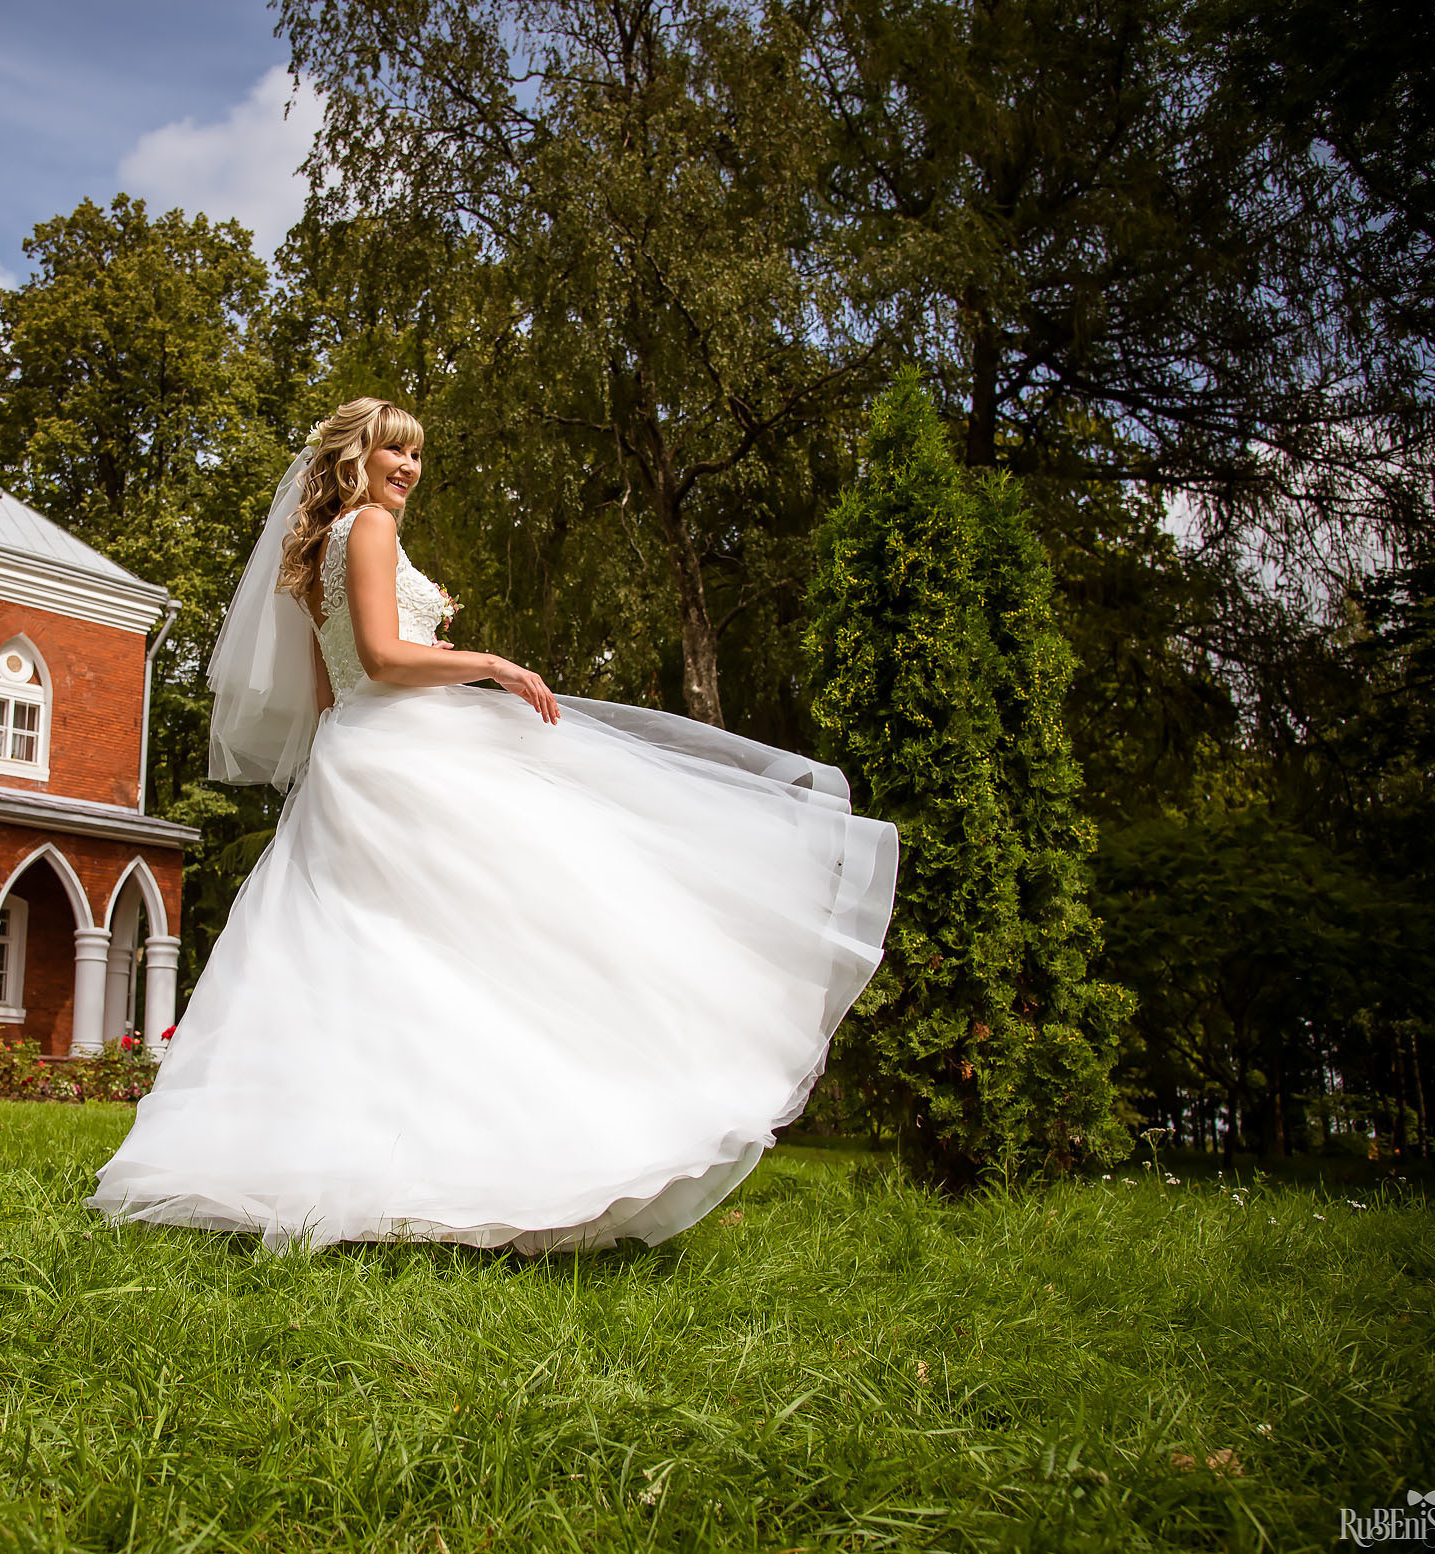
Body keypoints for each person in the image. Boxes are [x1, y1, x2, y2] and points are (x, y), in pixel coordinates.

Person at [87, 398, 898, 1253]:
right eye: (391, 451)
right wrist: (491, 664)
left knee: (386, 950)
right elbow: (381, 660)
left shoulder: (328, 545)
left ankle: (367, 1158)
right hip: (395, 745)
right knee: (493, 931)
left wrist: (346, 752)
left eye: (415, 455)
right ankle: (494, 1152)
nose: (407, 467)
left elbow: (332, 690)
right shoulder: (365, 529)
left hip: (362, 747)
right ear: (353, 459)